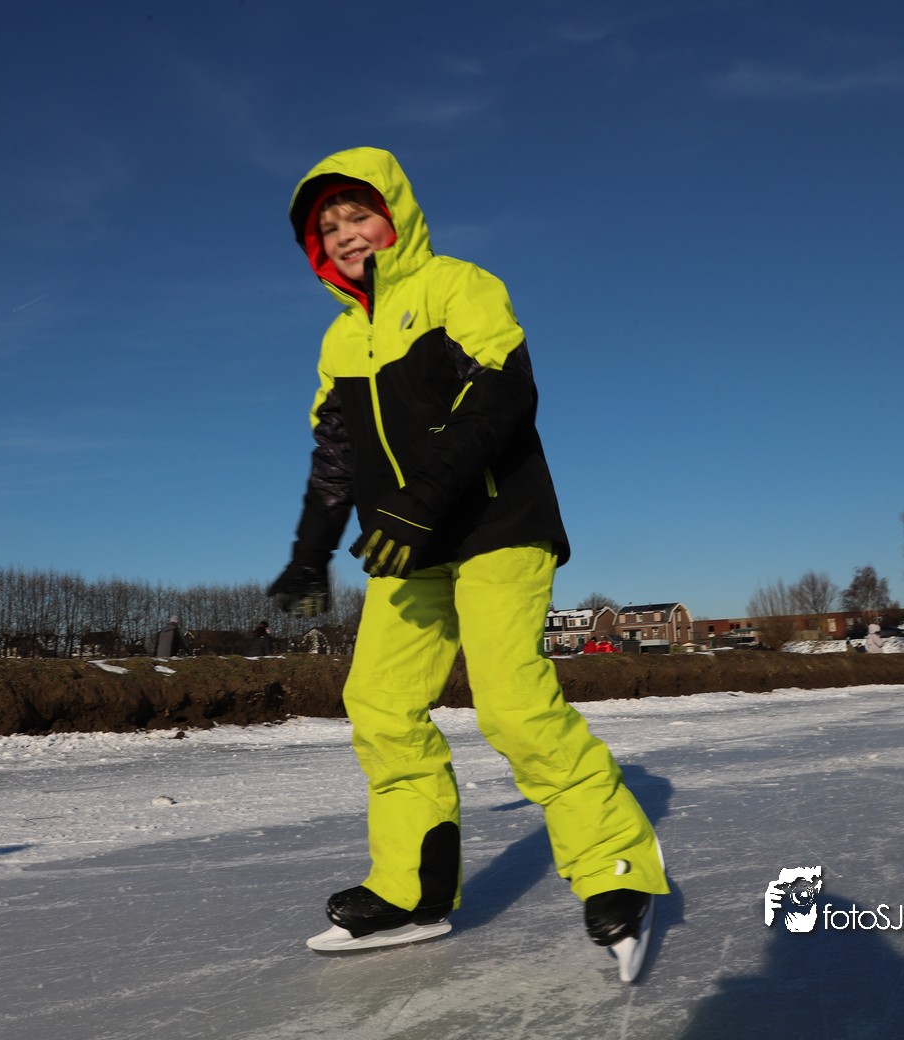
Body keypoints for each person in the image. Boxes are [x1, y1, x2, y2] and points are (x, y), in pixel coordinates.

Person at [267, 147, 667, 954]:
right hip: (407, 548)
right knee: (379, 703)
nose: (345, 234)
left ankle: (614, 865)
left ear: (395, 214)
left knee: (512, 705)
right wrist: (310, 555)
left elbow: (503, 396)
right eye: (328, 227)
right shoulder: (340, 340)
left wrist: (420, 501)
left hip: (494, 527)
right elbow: (336, 456)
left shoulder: (457, 286)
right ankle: (411, 888)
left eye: (358, 214)